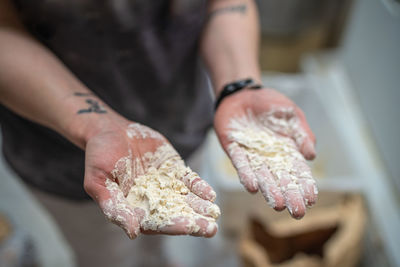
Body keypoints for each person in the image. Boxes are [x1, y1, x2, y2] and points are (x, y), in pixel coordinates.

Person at [0, 0, 317, 266]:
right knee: (110, 255)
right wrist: (96, 125)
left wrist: (238, 86)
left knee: (181, 234)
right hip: (65, 149)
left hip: (185, 117)